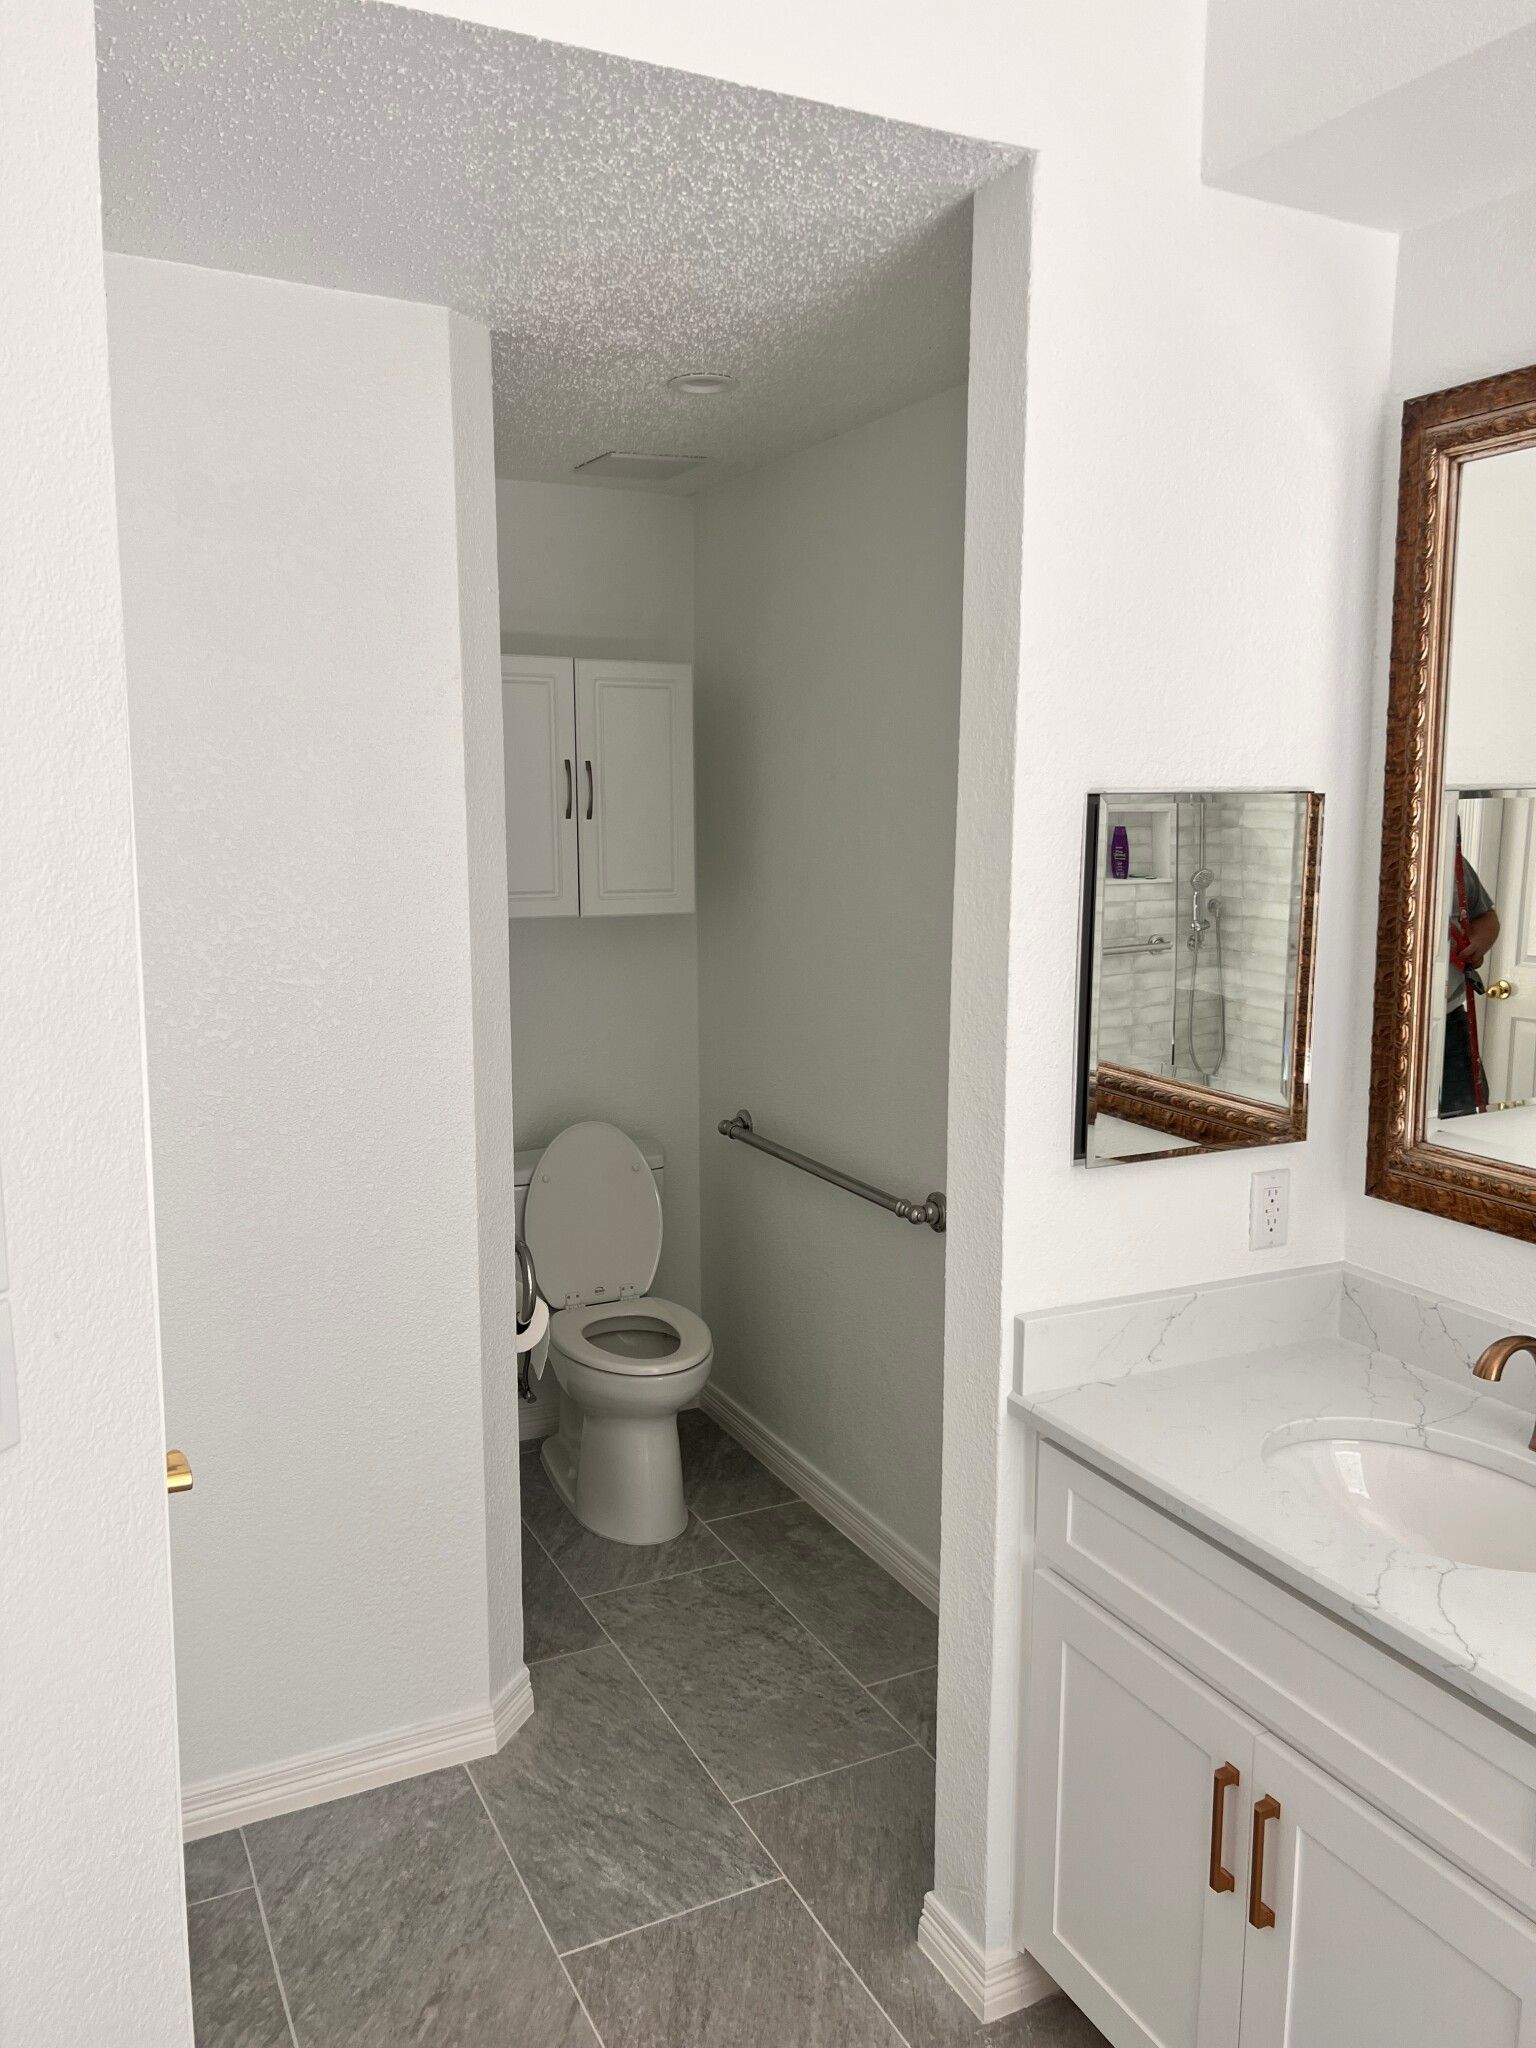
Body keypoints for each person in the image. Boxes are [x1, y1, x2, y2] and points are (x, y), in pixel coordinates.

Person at [1442, 850, 1499, 1117]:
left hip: (1448, 1022)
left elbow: (1486, 918)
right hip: (1360, 1031)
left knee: (1466, 1121)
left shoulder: (1449, 859)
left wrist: (1478, 944)